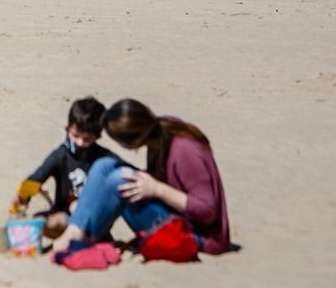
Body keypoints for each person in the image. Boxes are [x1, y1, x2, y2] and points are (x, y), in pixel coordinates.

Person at [58, 98, 232, 256]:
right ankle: (75, 231)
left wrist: (157, 189)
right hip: (172, 214)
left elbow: (208, 211)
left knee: (119, 179)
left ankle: (83, 233)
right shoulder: (160, 131)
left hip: (197, 234)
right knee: (104, 165)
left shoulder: (184, 151)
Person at [11, 97, 119, 243]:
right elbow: (37, 178)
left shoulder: (103, 157)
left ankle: (93, 237)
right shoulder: (61, 155)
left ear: (97, 136)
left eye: (87, 139)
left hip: (92, 218)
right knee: (40, 221)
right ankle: (77, 237)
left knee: (79, 207)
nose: (80, 143)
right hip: (65, 215)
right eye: (75, 136)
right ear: (67, 129)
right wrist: (22, 198)